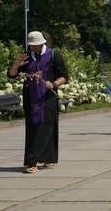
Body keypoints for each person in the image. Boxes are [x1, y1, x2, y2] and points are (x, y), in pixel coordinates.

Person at [7, 31, 69, 173]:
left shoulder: (53, 55)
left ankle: (41, 159)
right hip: (31, 96)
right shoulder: (26, 56)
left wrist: (53, 84)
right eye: (32, 46)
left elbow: (64, 76)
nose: (33, 48)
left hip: (48, 97)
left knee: (47, 127)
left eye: (36, 45)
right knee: (33, 128)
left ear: (42, 43)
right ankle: (32, 161)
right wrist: (16, 65)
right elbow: (11, 74)